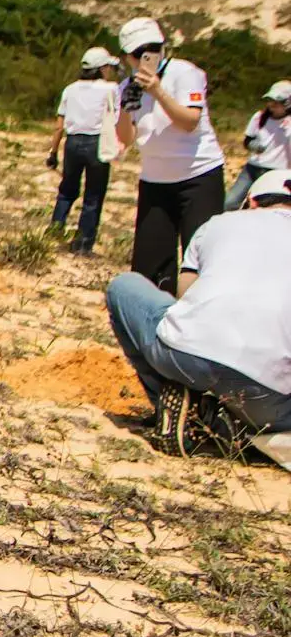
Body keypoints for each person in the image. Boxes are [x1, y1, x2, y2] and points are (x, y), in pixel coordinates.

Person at [105, 168, 291, 449]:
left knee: (124, 286)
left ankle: (182, 408)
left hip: (186, 355)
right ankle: (236, 431)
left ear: (251, 202)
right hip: (269, 391)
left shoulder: (220, 223)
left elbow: (185, 296)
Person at [113, 17, 225, 293]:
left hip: (198, 176)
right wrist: (127, 107)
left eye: (151, 50)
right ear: (128, 57)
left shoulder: (185, 73)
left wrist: (158, 91)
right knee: (150, 263)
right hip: (155, 179)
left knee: (199, 256)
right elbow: (125, 139)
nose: (145, 58)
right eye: (139, 54)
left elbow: (189, 122)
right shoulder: (127, 86)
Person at [46, 46, 122, 255]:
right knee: (94, 195)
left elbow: (59, 125)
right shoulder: (111, 89)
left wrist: (53, 152)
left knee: (67, 190)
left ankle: (54, 233)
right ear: (101, 68)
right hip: (96, 143)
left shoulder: (70, 89)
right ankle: (83, 244)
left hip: (72, 143)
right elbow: (117, 118)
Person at [226, 79, 291, 211]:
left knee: (268, 207)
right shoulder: (259, 117)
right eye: (270, 101)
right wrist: (253, 145)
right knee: (231, 203)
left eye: (276, 102)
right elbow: (247, 140)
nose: (271, 105)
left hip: (276, 171)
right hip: (253, 168)